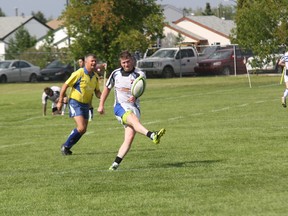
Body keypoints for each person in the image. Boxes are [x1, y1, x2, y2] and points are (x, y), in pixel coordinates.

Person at [97, 50, 166, 170]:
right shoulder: (115, 73)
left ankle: (114, 165)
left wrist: (136, 95)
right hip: (120, 107)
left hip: (134, 107)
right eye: (123, 62)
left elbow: (141, 88)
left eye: (128, 61)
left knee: (129, 138)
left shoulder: (140, 74)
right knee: (133, 120)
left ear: (132, 61)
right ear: (120, 62)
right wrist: (101, 105)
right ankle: (151, 135)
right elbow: (107, 89)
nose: (126, 64)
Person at [57, 54, 102, 155]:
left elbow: (97, 92)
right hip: (75, 102)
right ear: (86, 62)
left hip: (86, 104)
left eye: (95, 61)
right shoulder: (79, 73)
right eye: (92, 61)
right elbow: (65, 85)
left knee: (83, 130)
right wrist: (60, 101)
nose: (94, 63)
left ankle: (67, 147)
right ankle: (65, 146)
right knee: (81, 127)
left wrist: (103, 96)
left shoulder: (95, 76)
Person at [78, 56, 94, 121]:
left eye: (81, 62)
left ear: (84, 62)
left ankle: (90, 116)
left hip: (88, 90)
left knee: (89, 103)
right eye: (79, 62)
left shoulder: (89, 70)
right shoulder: (79, 71)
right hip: (81, 92)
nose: (80, 63)